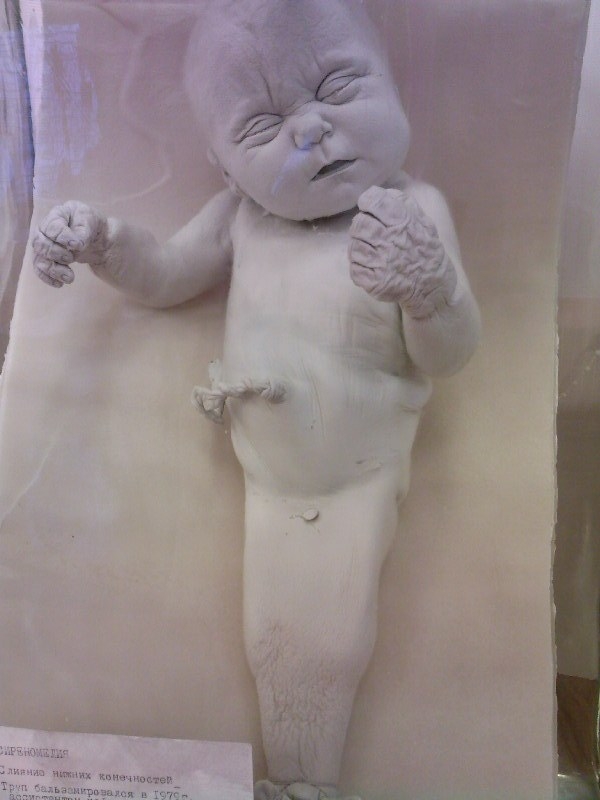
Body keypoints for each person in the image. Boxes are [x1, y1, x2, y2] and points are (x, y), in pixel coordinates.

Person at [32, 2, 480, 798]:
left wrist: (429, 289)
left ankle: (308, 780)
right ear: (223, 164)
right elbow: (167, 274)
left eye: (339, 85)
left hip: (354, 477)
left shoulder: (411, 212)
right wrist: (105, 242)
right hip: (270, 483)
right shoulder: (242, 218)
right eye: (262, 126)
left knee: (332, 639)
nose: (311, 129)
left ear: (392, 81)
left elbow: (448, 355)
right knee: (270, 638)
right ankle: (295, 779)